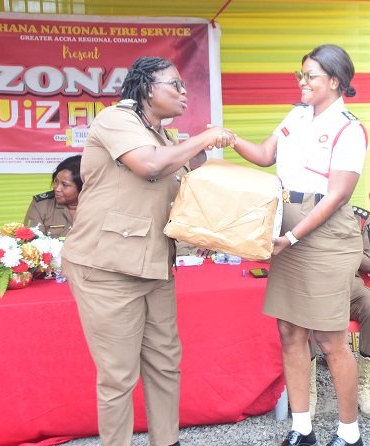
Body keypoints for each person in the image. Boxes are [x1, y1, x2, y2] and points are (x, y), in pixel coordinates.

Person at [60, 56, 233, 446]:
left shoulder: (164, 136)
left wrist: (201, 151)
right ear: (145, 88)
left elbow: (180, 174)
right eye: (175, 85)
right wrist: (203, 139)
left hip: (154, 267)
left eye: (185, 85)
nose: (183, 92)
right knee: (119, 375)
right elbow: (148, 166)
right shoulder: (115, 121)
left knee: (165, 363)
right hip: (107, 269)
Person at [229, 44, 367, 446]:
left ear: (335, 82)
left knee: (329, 338)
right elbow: (264, 155)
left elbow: (337, 195)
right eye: (301, 74)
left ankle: (348, 432)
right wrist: (231, 138)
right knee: (289, 331)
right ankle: (301, 427)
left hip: (322, 234)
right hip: (288, 224)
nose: (302, 82)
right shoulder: (296, 115)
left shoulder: (349, 128)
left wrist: (291, 237)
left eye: (311, 76)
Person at [309, 206, 370, 420]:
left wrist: (346, 250)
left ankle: (362, 386)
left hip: (349, 285)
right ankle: (307, 392)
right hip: (313, 285)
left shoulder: (359, 218)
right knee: (301, 310)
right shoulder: (302, 212)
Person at [23, 154, 82, 238]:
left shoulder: (98, 206)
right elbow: (30, 241)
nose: (57, 188)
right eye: (56, 181)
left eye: (65, 185)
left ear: (83, 187)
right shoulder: (41, 205)